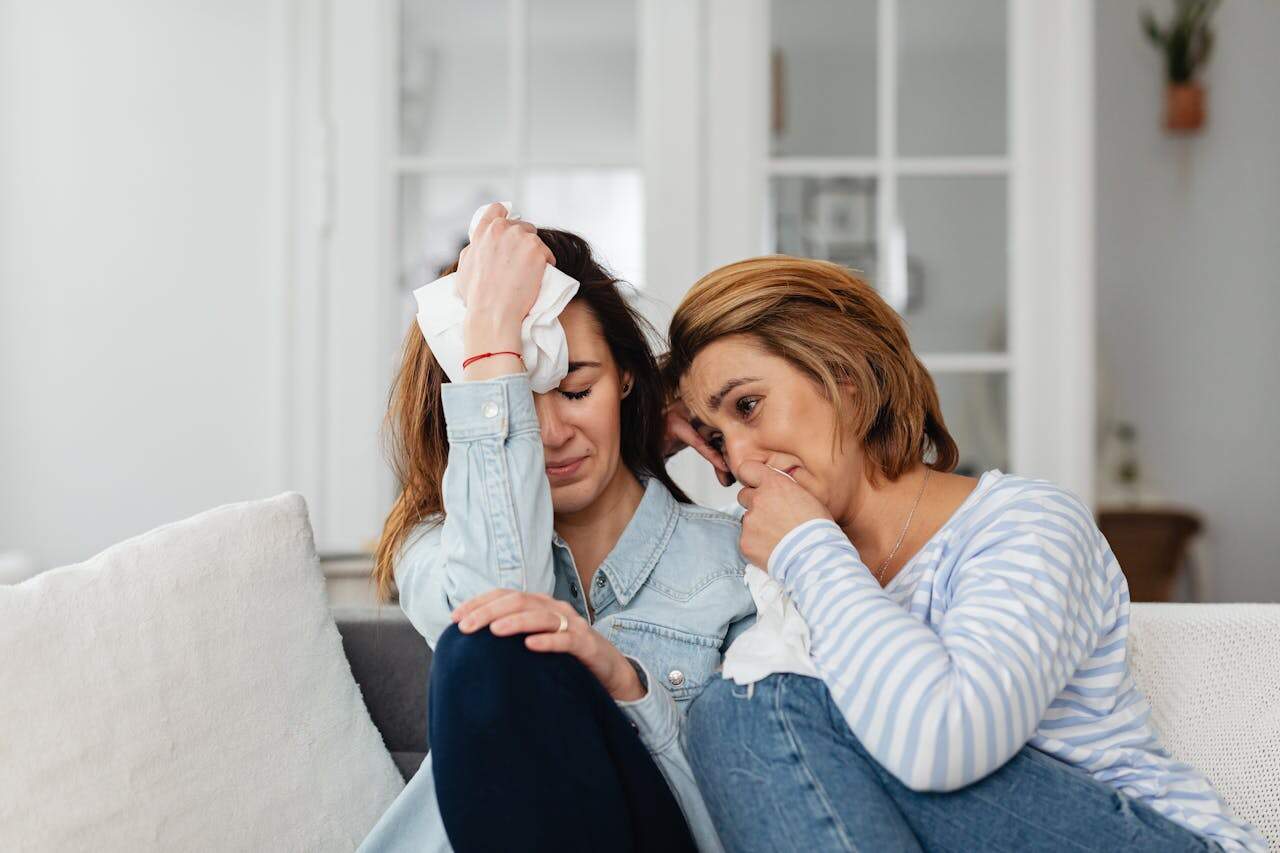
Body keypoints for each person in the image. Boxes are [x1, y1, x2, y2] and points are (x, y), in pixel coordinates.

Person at [660, 256, 1264, 852]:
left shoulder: (1026, 522)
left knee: (748, 705)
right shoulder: (788, 573)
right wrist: (638, 422)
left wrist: (806, 548)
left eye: (747, 406)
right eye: (716, 439)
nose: (739, 462)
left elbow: (945, 741)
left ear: (843, 374)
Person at [359, 206, 754, 853]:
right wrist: (489, 345)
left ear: (628, 377)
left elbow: (736, 825)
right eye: (516, 397)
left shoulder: (740, 564)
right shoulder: (432, 548)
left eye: (575, 389)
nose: (548, 433)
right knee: (487, 634)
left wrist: (624, 684)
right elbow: (502, 617)